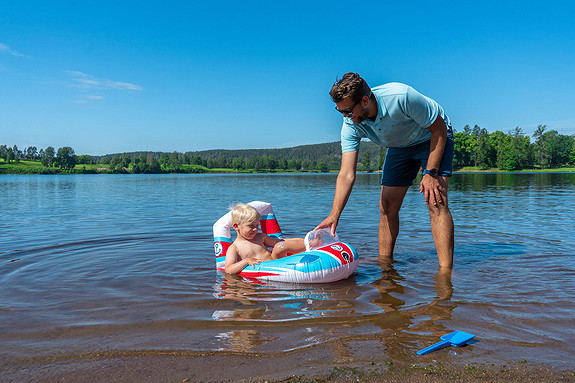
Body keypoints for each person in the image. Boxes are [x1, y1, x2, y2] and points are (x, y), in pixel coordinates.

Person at [315, 73, 454, 268]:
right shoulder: (350, 124)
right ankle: (385, 266)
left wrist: (430, 173)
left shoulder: (401, 97)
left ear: (364, 100)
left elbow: (439, 129)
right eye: (341, 112)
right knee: (387, 206)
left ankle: (445, 273)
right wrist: (334, 214)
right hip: (398, 146)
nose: (346, 117)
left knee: (436, 201)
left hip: (431, 136)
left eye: (348, 111)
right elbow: (346, 174)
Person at [224, 203, 306, 274]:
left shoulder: (260, 237)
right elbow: (228, 269)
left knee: (279, 246)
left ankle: (308, 243)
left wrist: (298, 240)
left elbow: (280, 242)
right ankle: (308, 243)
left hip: (276, 261)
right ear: (236, 226)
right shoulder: (234, 248)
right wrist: (246, 261)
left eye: (257, 225)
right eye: (251, 226)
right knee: (279, 247)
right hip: (264, 270)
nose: (255, 229)